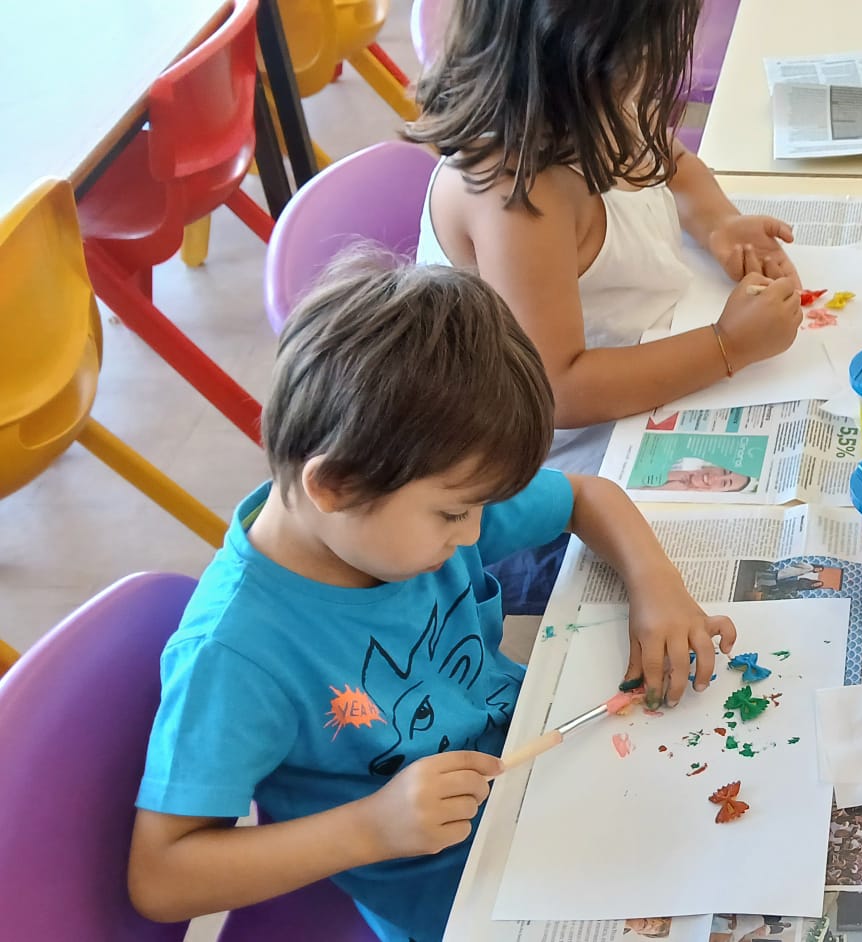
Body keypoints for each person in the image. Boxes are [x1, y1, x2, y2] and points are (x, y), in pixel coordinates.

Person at [127, 261, 736, 942]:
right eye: (453, 514)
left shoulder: (401, 497)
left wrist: (657, 588)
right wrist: (372, 827)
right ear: (334, 486)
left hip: (549, 782)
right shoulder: (235, 655)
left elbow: (585, 496)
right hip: (457, 894)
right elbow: (162, 878)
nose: (474, 534)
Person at [407, 0, 803, 477]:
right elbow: (557, 389)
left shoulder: (590, 98)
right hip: (554, 457)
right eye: (643, 54)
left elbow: (670, 161)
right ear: (588, 54)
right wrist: (727, 345)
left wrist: (718, 222)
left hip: (648, 369)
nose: (646, 72)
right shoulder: (515, 193)